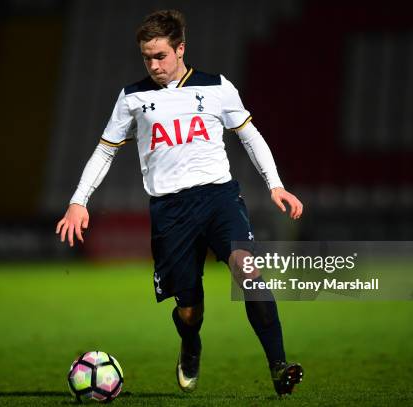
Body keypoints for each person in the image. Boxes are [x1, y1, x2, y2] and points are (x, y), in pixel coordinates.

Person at [56, 10, 304, 396]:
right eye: (147, 57)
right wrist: (78, 201)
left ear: (180, 49)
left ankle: (279, 365)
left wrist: (275, 185)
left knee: (248, 271)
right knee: (190, 309)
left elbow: (250, 136)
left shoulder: (218, 87)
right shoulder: (132, 98)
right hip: (170, 210)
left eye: (160, 56)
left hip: (219, 197)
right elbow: (105, 151)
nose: (153, 64)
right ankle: (190, 343)